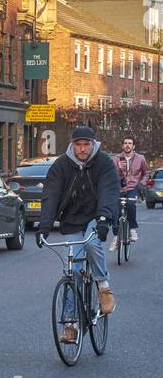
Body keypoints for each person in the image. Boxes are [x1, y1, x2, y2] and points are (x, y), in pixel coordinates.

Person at [36, 125, 120, 344]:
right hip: (71, 219)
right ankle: (71, 324)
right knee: (72, 270)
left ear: (93, 145)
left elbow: (108, 191)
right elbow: (51, 194)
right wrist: (44, 225)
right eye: (78, 145)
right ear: (72, 145)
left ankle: (103, 286)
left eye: (86, 145)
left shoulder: (104, 164)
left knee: (92, 244)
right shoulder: (61, 165)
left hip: (96, 215)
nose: (82, 149)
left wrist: (103, 218)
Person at [110, 135, 151, 248]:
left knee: (130, 204)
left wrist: (141, 184)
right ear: (122, 145)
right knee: (115, 211)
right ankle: (115, 237)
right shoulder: (116, 159)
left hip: (133, 187)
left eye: (130, 143)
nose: (127, 145)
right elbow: (110, 174)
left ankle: (132, 230)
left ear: (133, 146)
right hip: (119, 188)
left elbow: (146, 173)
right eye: (125, 143)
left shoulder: (140, 158)